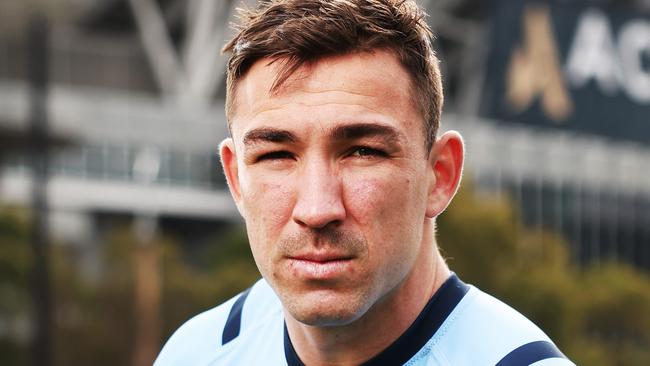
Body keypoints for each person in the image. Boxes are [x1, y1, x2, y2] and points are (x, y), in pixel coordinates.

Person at [155, 0, 575, 365]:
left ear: (439, 175)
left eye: (362, 152)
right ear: (236, 179)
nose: (317, 210)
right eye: (277, 155)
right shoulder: (196, 353)